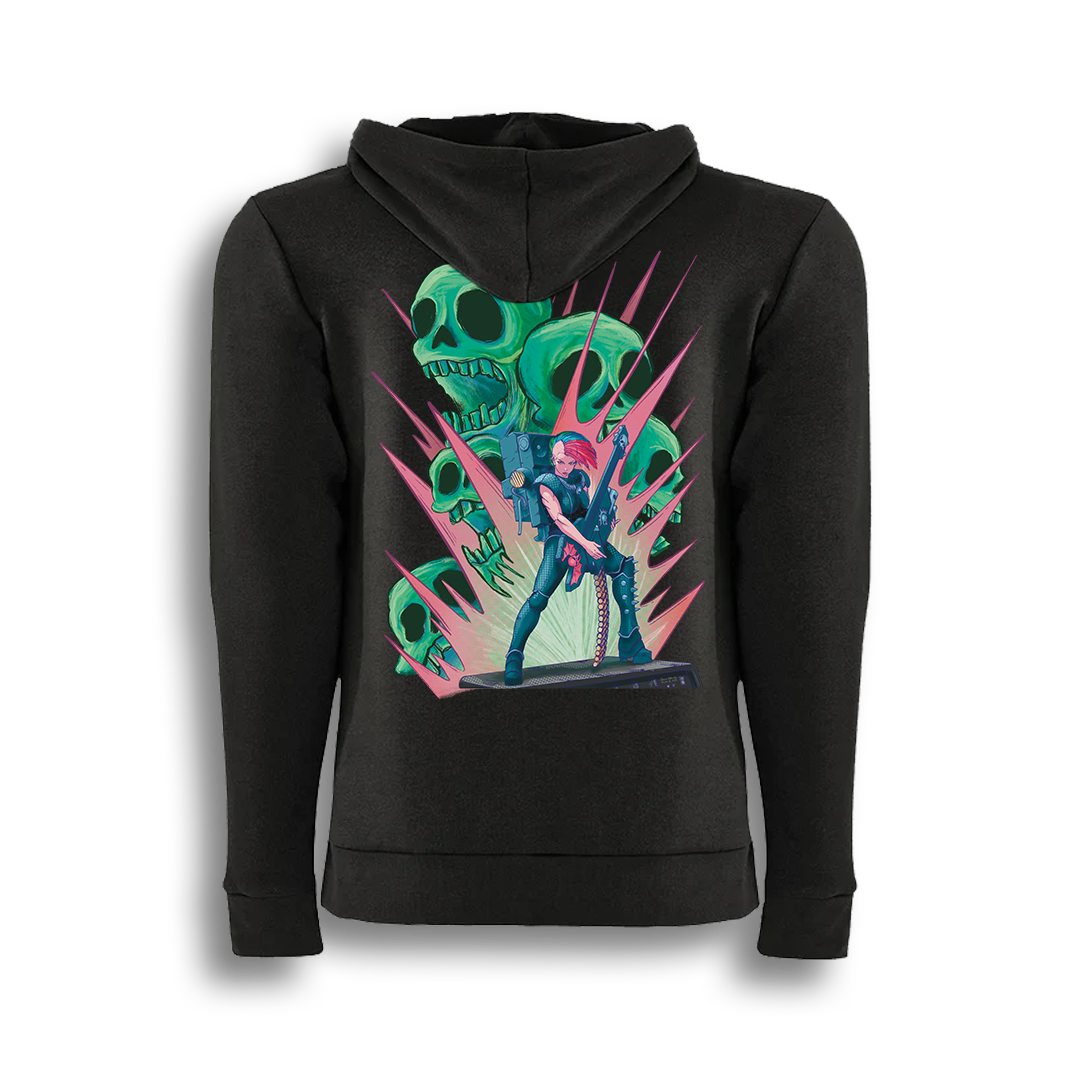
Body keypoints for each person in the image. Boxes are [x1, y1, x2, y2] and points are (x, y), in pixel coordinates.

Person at [504, 430, 652, 685]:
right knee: (539, 597)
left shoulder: (579, 479)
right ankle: (514, 656)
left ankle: (630, 638)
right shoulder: (546, 483)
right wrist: (585, 543)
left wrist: (605, 523)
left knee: (623, 567)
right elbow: (559, 519)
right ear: (553, 458)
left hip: (587, 536)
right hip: (561, 543)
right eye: (561, 461)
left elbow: (589, 512)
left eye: (571, 462)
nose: (565, 467)